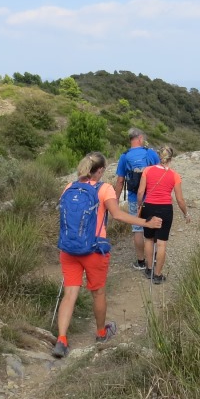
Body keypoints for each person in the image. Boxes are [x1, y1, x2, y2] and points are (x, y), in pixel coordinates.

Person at [53, 151, 162, 358]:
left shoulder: (69, 187)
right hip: (94, 250)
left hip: (68, 249)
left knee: (69, 294)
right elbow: (118, 215)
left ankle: (62, 340)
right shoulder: (104, 189)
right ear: (101, 170)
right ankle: (101, 333)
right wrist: (146, 223)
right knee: (98, 293)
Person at [136, 146, 191, 284]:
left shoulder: (147, 170)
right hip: (165, 209)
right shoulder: (175, 175)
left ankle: (149, 269)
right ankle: (157, 275)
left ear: (158, 156)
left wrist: (139, 205)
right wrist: (186, 213)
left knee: (149, 239)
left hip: (148, 207)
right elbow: (180, 199)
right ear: (171, 158)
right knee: (161, 244)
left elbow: (140, 192)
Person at [112, 128, 160, 271]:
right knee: (153, 225)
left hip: (134, 198)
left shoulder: (124, 156)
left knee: (137, 229)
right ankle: (154, 256)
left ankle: (141, 261)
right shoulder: (150, 153)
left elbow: (120, 181)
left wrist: (115, 200)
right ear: (139, 138)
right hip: (152, 197)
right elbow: (159, 173)